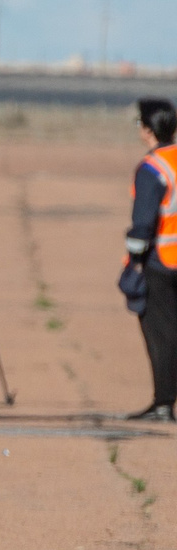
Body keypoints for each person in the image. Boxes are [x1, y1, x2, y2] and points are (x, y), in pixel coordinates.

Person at [123, 98, 177, 422]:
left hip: (162, 261)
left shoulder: (153, 167)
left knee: (161, 332)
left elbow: (143, 223)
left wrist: (134, 259)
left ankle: (162, 402)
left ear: (147, 129)